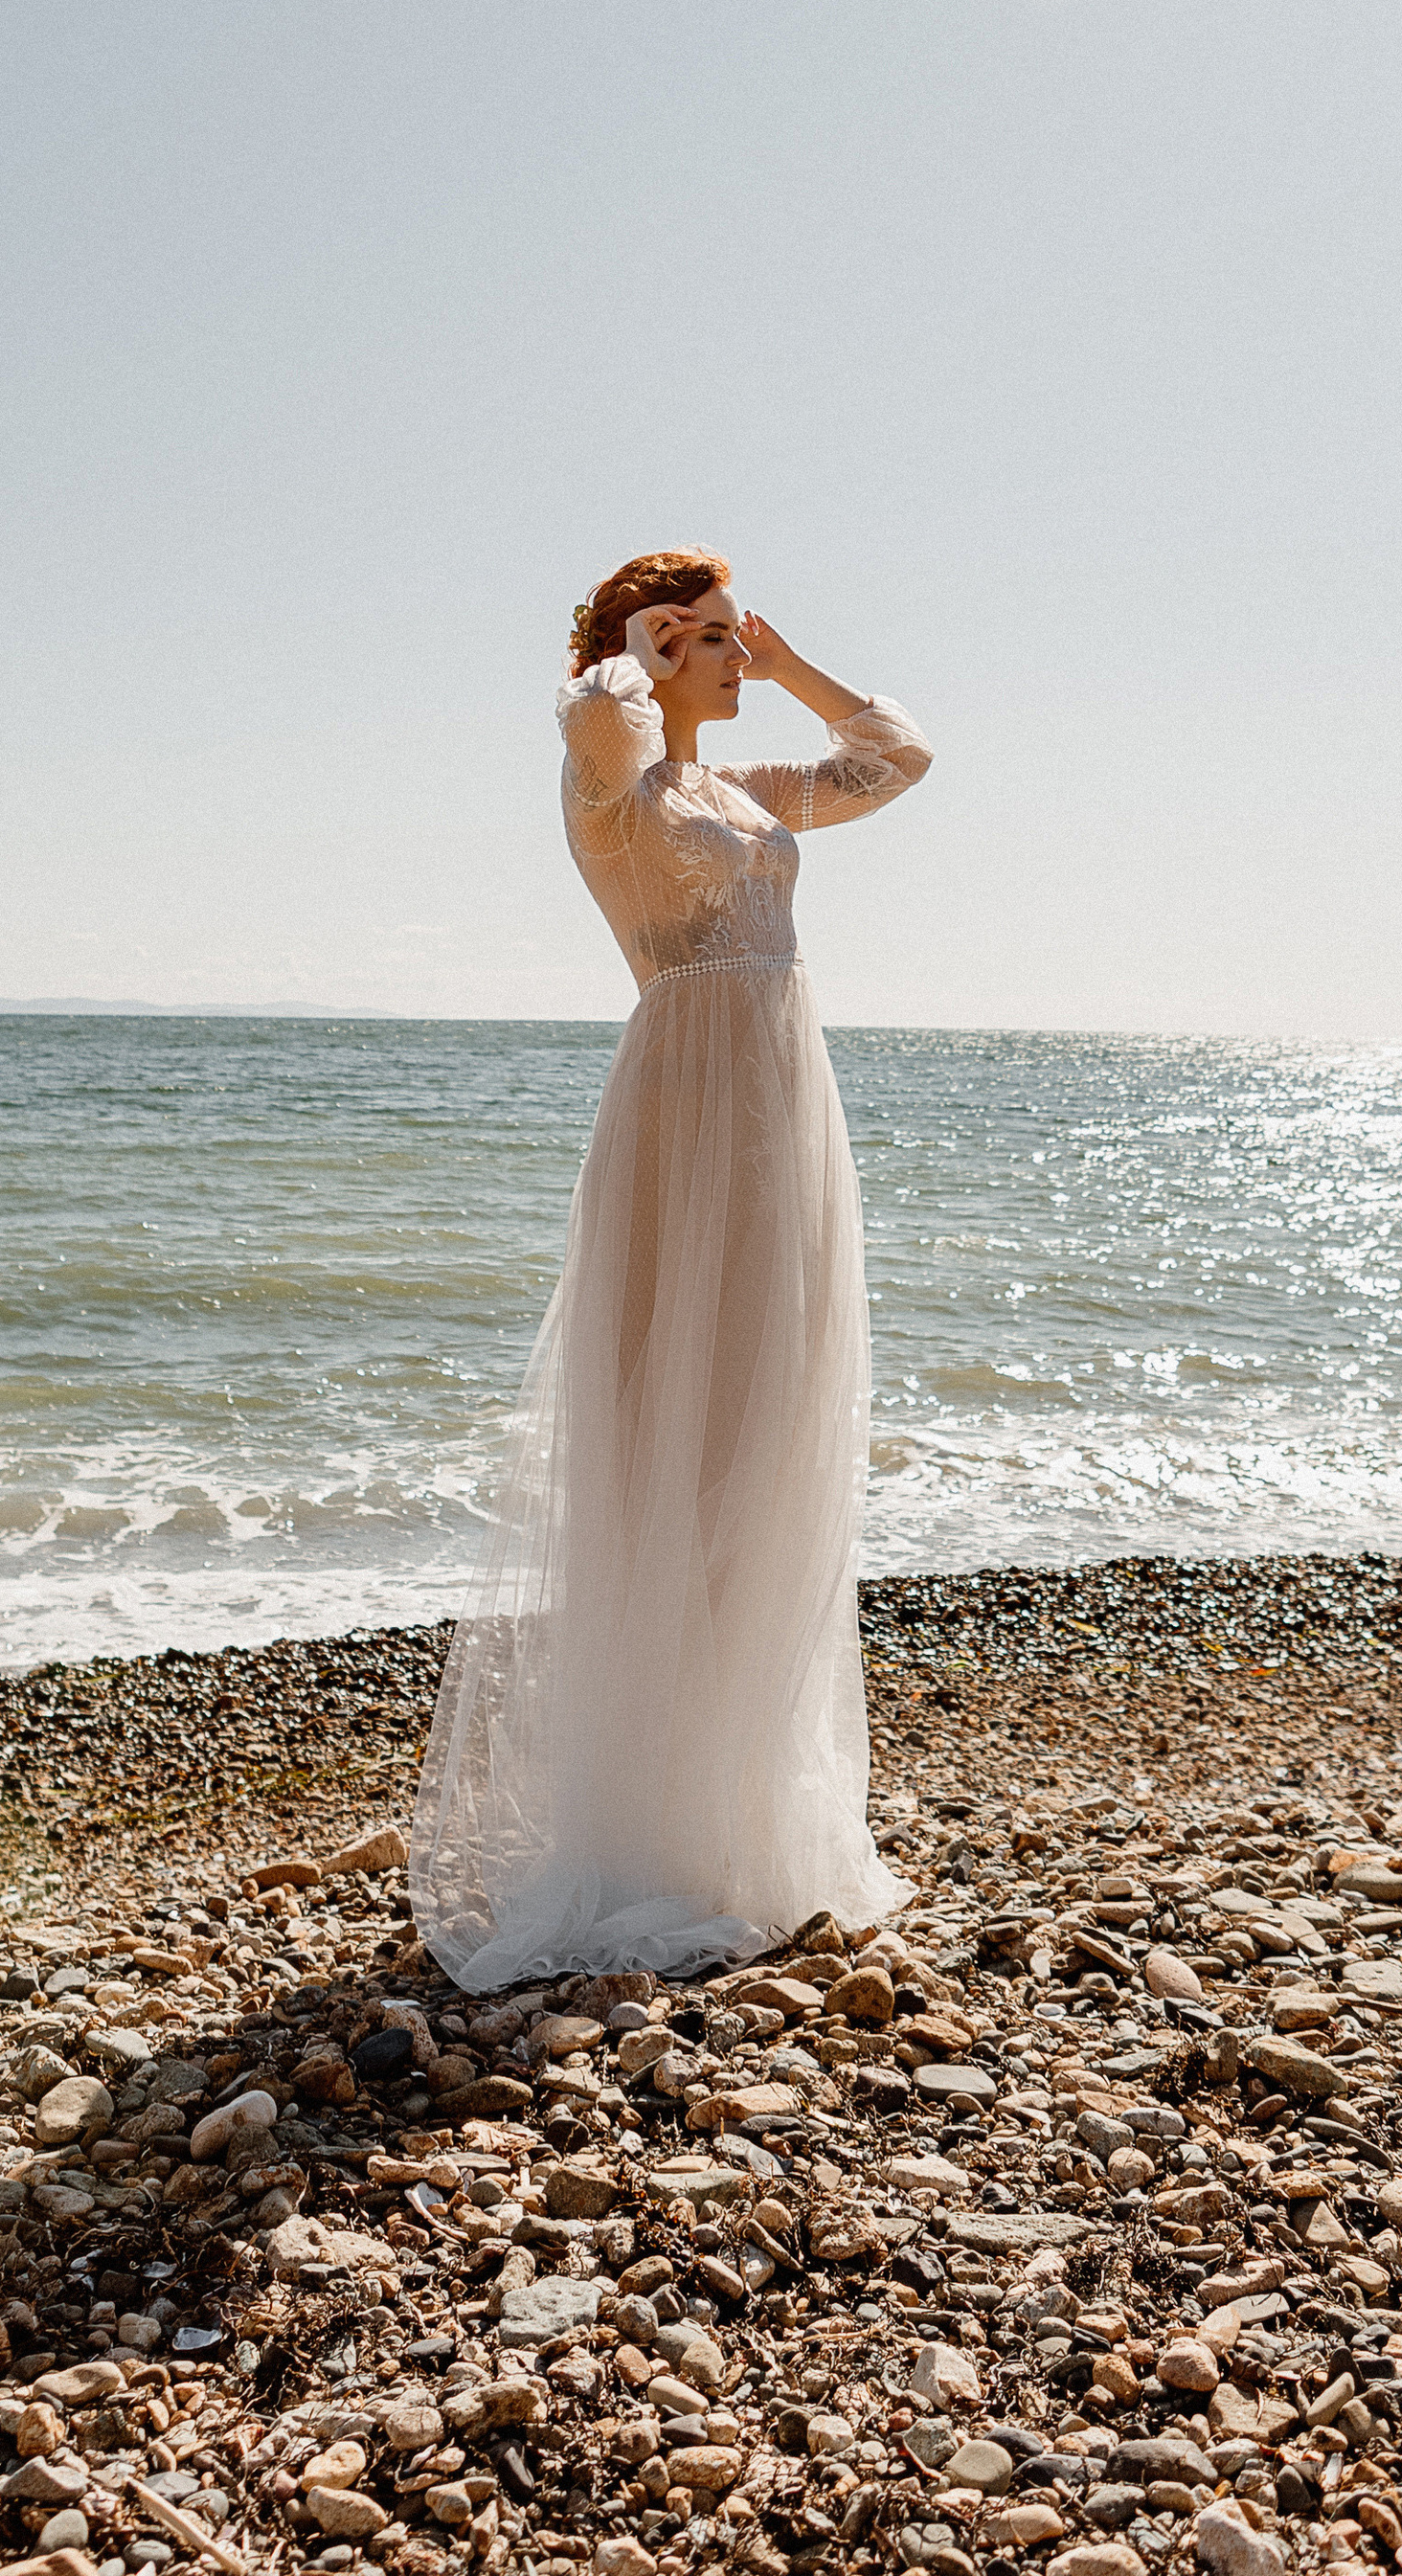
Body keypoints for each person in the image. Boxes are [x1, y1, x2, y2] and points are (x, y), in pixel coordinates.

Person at [408, 549, 933, 1988]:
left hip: (784, 1121)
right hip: (682, 1111)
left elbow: (895, 759)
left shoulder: (755, 795)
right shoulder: (613, 789)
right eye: (682, 634)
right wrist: (635, 650)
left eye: (715, 631)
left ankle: (748, 1820)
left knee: (769, 1435)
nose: (707, 649)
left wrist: (781, 653)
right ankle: (652, 1834)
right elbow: (592, 710)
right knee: (672, 1443)